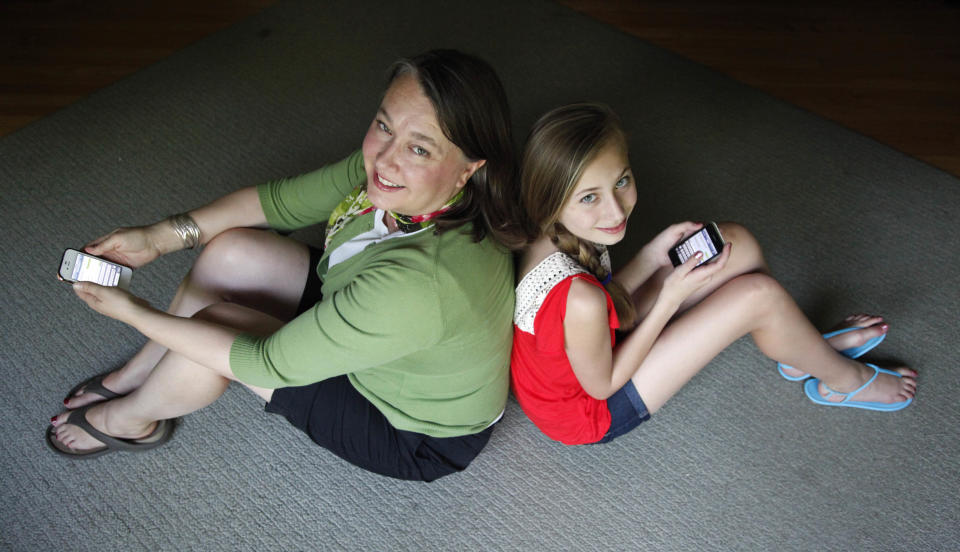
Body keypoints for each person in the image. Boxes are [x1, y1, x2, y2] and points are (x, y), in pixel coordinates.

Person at [48, 49, 524, 481]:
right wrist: (157, 237)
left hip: (408, 427)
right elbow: (280, 204)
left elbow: (264, 360)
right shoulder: (401, 182)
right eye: (384, 126)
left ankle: (132, 419)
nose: (384, 158)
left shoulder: (420, 283)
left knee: (220, 330)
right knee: (235, 250)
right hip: (373, 312)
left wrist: (131, 310)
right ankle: (139, 371)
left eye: (419, 148)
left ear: (469, 168)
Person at [510, 103, 917, 446]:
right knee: (759, 295)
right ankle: (843, 379)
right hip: (590, 407)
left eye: (621, 181)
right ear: (552, 197)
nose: (616, 212)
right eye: (590, 197)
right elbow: (603, 382)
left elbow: (604, 297)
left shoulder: (558, 225)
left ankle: (801, 352)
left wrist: (653, 256)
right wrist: (669, 297)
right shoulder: (577, 297)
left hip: (592, 340)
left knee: (736, 243)